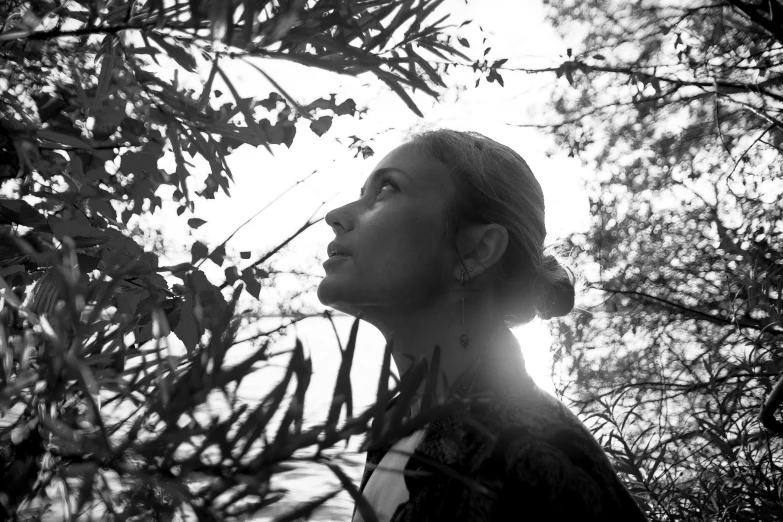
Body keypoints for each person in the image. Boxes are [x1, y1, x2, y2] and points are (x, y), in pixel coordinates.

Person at [317, 129, 648, 522]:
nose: (335, 216)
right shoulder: (399, 427)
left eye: (386, 189)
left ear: (476, 251)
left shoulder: (531, 461)